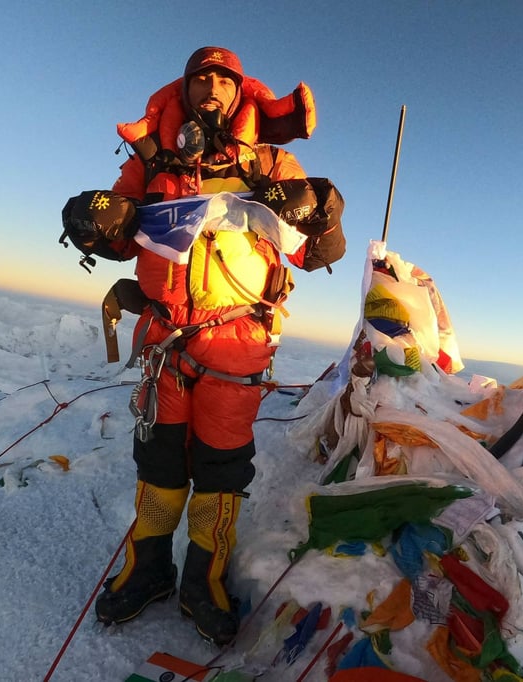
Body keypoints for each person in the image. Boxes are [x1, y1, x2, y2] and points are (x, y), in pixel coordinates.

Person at [60, 46, 345, 646]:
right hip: (166, 337)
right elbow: (120, 232)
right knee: (159, 461)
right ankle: (148, 570)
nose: (209, 86)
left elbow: (319, 251)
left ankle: (204, 579)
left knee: (219, 469)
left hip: (237, 341)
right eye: (199, 79)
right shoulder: (155, 167)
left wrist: (324, 209)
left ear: (240, 94)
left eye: (222, 78)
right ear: (183, 92)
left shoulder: (273, 163)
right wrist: (94, 217)